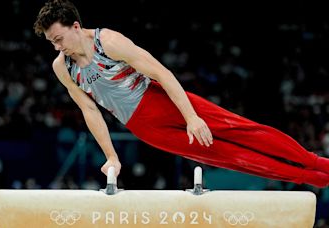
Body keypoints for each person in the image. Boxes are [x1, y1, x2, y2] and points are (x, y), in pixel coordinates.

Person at [33, 0, 329, 188]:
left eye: (58, 39)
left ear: (75, 26)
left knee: (243, 132)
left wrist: (192, 117)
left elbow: (163, 73)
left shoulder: (108, 41)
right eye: (51, 42)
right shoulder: (63, 67)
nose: (57, 47)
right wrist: (112, 157)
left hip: (160, 101)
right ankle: (314, 179)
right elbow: (90, 111)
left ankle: (318, 164)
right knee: (229, 158)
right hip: (142, 127)